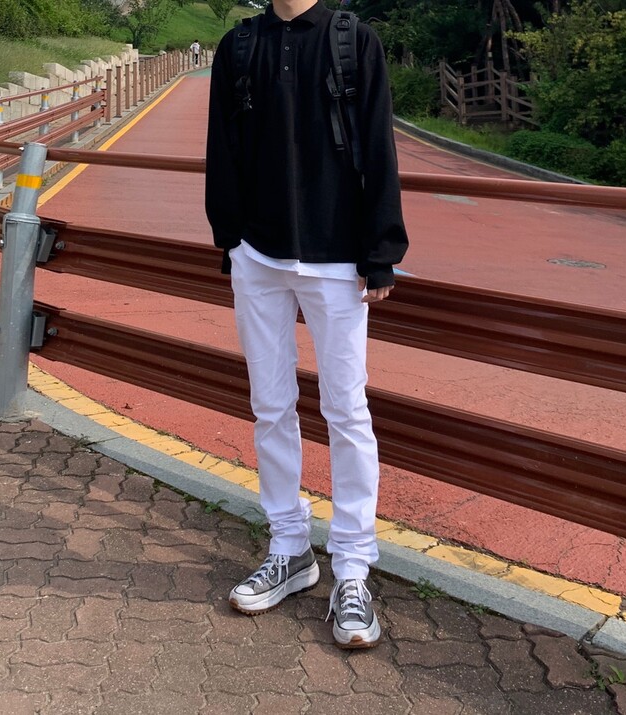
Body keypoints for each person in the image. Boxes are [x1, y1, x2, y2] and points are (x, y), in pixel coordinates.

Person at [205, 0, 408, 649]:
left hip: (338, 260)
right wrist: (231, 241)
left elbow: (377, 143)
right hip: (257, 256)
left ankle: (352, 569)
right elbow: (221, 147)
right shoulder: (239, 46)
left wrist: (380, 253)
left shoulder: (355, 41)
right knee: (270, 405)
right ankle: (289, 547)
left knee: (346, 410)